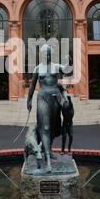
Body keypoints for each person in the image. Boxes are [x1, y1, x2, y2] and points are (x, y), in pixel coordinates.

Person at [27, 44, 66, 172]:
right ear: (41, 55)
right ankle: (48, 160)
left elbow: (67, 69)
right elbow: (32, 85)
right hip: (42, 98)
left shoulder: (56, 66)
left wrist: (67, 62)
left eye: (49, 54)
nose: (47, 56)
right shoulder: (38, 69)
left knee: (54, 126)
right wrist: (29, 100)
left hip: (55, 98)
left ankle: (48, 149)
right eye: (45, 54)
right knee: (45, 127)